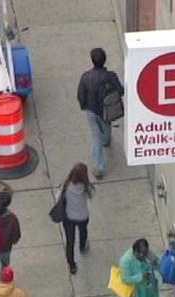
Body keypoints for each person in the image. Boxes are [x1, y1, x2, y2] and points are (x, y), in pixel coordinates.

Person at [76, 47, 124, 179]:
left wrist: (84, 106)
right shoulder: (111, 76)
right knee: (106, 127)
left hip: (91, 110)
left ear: (92, 61)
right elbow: (120, 91)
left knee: (95, 138)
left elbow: (80, 95)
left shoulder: (86, 77)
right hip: (106, 110)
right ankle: (107, 140)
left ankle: (99, 167)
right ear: (104, 60)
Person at [60, 163, 94, 274]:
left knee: (70, 242)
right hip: (82, 216)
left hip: (68, 217)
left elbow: (58, 197)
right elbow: (92, 195)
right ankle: (82, 247)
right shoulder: (86, 187)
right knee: (83, 231)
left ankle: (72, 265)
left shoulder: (66, 186)